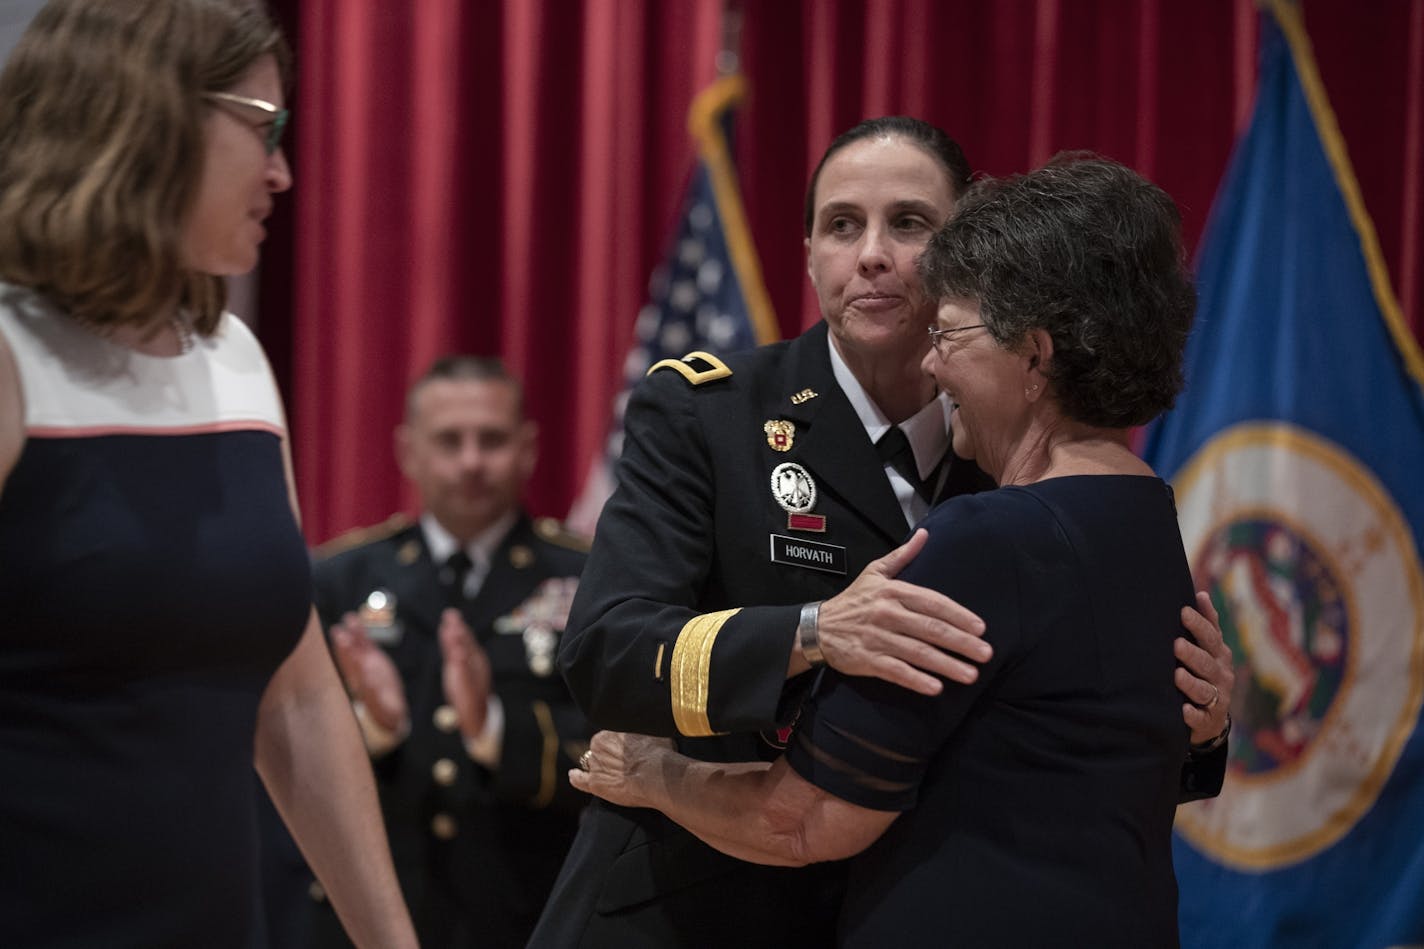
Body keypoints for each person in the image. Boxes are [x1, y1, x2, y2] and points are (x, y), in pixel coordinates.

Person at [530, 117, 1234, 948]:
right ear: (807, 254)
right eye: (840, 225)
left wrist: (1199, 718)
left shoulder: (1021, 451)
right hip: (693, 906)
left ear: (967, 246)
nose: (871, 255)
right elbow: (606, 649)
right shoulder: (711, 414)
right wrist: (810, 631)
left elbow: (1051, 737)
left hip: (891, 897)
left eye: (908, 223)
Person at [0, 1, 416, 946]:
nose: (283, 170)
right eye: (263, 127)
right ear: (145, 118)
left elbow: (300, 698)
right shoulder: (10, 352)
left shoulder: (232, 356)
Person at [262, 356, 592, 948]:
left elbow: (623, 750)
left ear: (528, 447)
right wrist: (374, 729)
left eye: (490, 440)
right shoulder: (336, 580)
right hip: (373, 921)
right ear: (408, 451)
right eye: (449, 441)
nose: (470, 461)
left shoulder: (589, 579)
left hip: (529, 916)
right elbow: (285, 757)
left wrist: (492, 728)